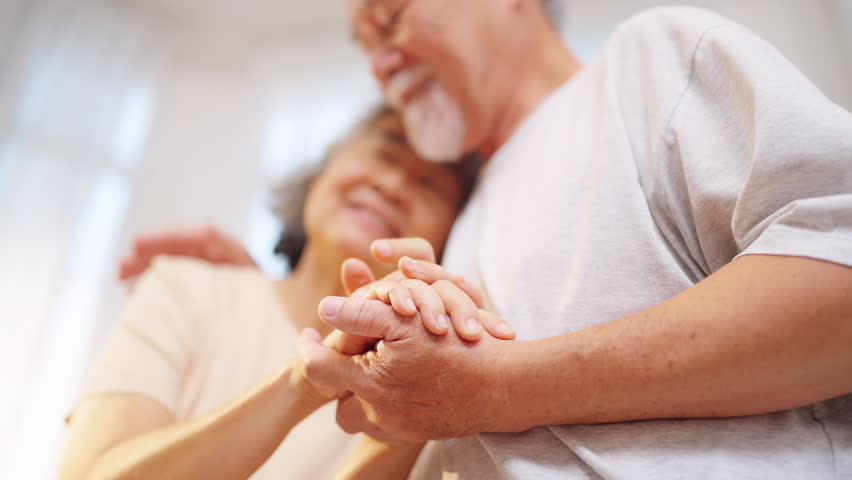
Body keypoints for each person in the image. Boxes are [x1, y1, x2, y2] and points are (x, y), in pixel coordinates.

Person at [294, 2, 852, 479]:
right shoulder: (458, 221)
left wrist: (499, 389)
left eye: (389, 19)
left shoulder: (648, 62)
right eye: (364, 46)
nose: (379, 68)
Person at [60, 106, 514, 480]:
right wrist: (303, 384)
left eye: (432, 184)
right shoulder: (184, 286)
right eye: (386, 151)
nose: (393, 186)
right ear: (320, 172)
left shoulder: (424, 383)